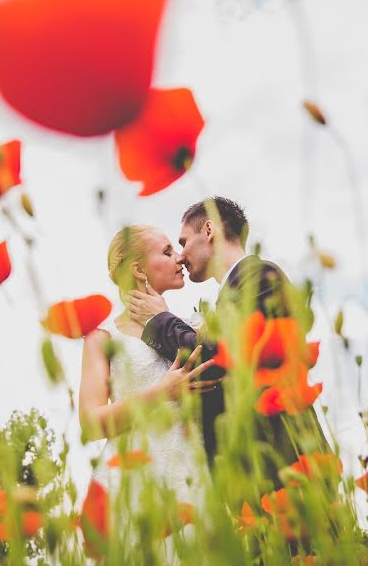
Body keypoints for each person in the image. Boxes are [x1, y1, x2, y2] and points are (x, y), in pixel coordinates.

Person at [127, 197, 329, 484]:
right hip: (262, 467)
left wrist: (159, 320)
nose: (181, 256)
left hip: (286, 459)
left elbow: (215, 358)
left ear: (209, 230)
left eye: (183, 242)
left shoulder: (260, 277)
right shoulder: (234, 291)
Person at [79, 225, 215, 510]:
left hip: (193, 475)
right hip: (134, 476)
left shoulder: (190, 329)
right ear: (139, 270)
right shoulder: (102, 338)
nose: (180, 258)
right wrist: (163, 392)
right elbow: (90, 424)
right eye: (167, 252)